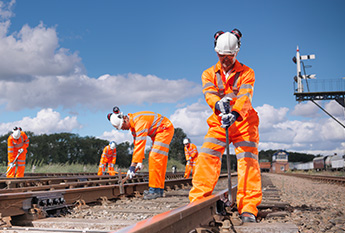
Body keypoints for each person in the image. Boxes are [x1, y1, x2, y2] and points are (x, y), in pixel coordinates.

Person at [189, 29, 262, 223]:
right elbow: (209, 94)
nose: (225, 59)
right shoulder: (208, 73)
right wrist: (218, 105)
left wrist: (235, 113)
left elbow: (246, 96)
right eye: (222, 56)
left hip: (244, 121)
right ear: (216, 52)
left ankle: (248, 207)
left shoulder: (247, 72)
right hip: (220, 120)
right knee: (207, 155)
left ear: (236, 53)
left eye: (229, 56)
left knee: (247, 161)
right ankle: (199, 201)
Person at [107, 106, 174, 200]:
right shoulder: (133, 127)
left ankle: (154, 190)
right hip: (159, 132)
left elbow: (140, 145)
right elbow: (136, 146)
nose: (123, 129)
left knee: (154, 157)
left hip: (164, 129)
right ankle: (158, 190)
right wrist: (139, 162)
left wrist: (132, 167)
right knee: (158, 160)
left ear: (125, 119)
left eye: (122, 126)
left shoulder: (139, 122)